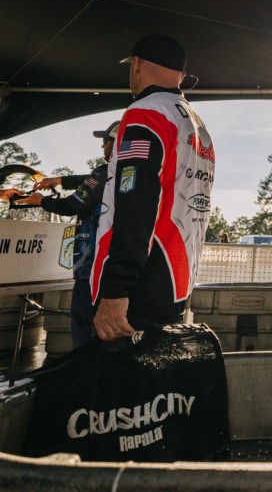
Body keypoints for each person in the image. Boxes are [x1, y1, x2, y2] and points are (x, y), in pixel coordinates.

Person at [90, 33, 216, 341]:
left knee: (121, 371)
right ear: (182, 75)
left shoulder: (147, 112)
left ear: (136, 65)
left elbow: (136, 201)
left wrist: (116, 287)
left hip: (138, 288)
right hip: (175, 279)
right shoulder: (196, 123)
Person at [12, 121, 118, 347]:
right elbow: (91, 181)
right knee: (108, 333)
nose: (102, 147)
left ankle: (84, 367)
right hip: (115, 267)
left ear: (117, 143)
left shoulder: (105, 171)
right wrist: (58, 181)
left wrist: (41, 201)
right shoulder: (131, 172)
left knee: (84, 328)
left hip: (91, 266)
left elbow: (73, 204)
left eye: (106, 142)